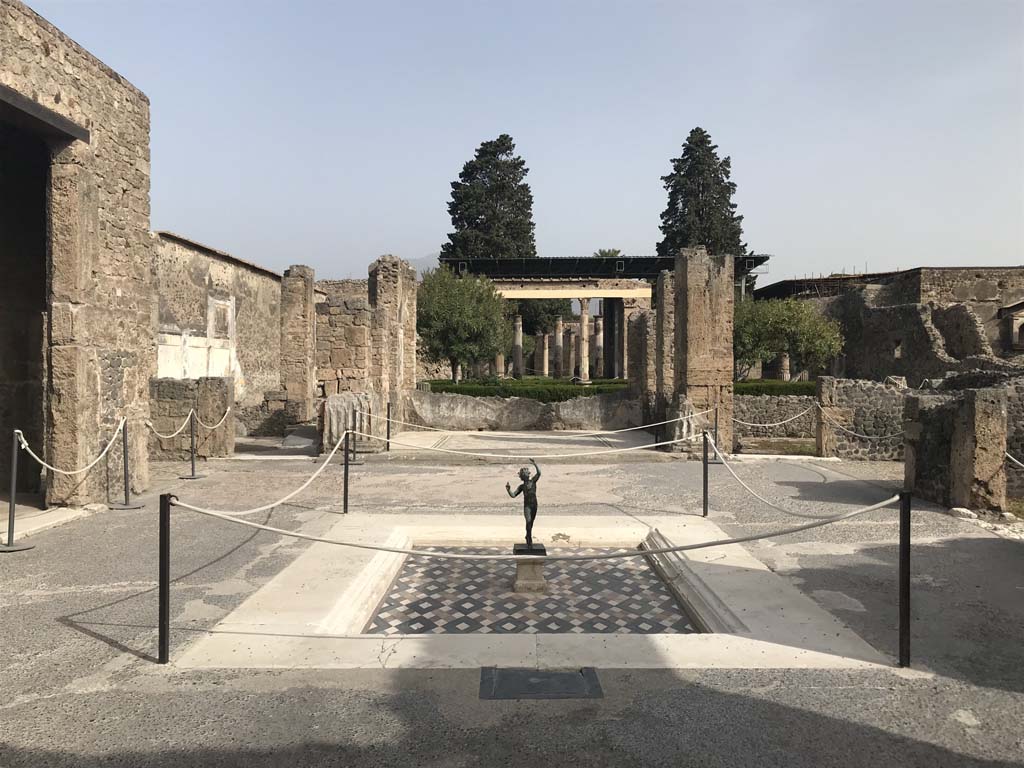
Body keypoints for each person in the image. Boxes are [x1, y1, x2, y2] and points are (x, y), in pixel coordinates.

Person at [506, 458, 541, 548]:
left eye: (526, 472)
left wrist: (534, 463)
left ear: (528, 474)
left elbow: (539, 473)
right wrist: (508, 490)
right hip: (527, 506)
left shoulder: (533, 481)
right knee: (528, 522)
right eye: (524, 473)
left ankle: (527, 535)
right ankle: (529, 539)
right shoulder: (521, 486)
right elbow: (513, 495)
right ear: (522, 476)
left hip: (534, 505)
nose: (525, 474)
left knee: (531, 523)